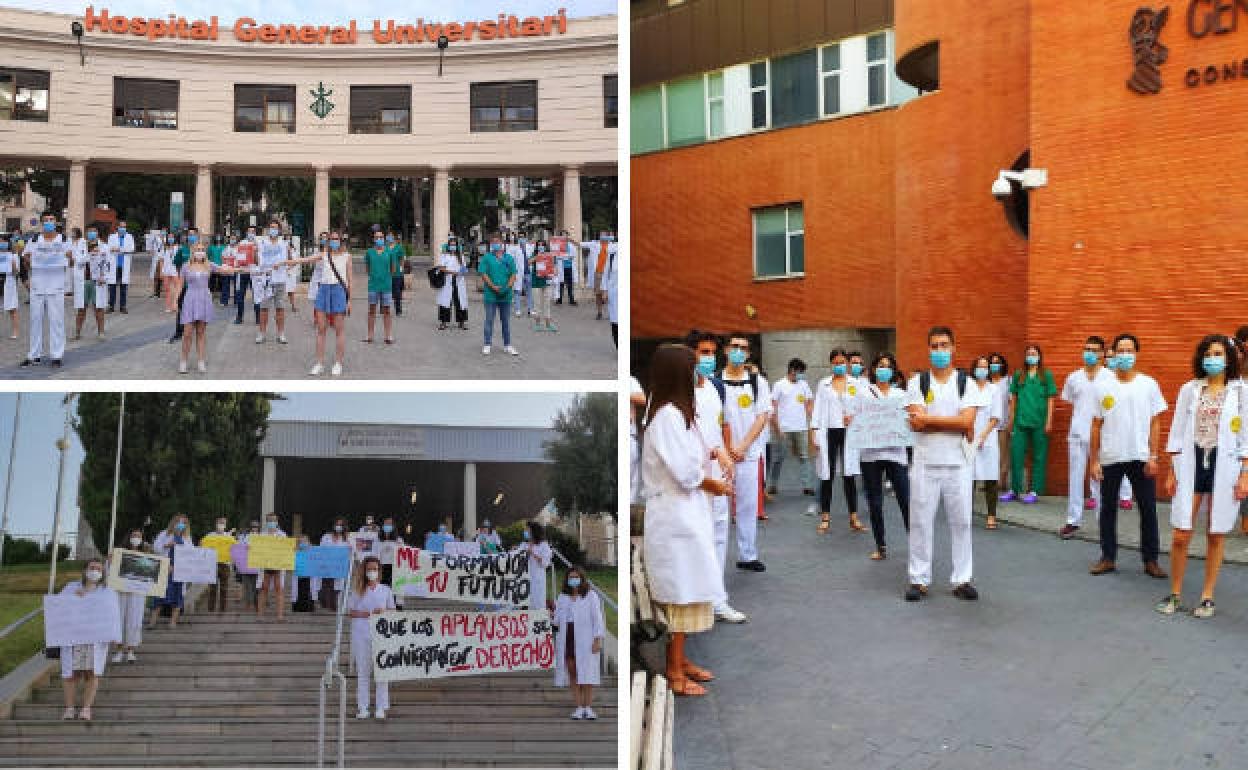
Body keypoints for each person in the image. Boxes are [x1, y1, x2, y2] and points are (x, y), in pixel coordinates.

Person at [642, 343, 730, 697]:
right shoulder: (666, 416)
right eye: (693, 368)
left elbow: (701, 449)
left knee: (692, 591)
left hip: (688, 513)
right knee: (681, 596)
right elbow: (684, 471)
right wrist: (714, 484)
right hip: (675, 517)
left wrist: (715, 460)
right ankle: (674, 671)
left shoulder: (681, 413)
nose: (699, 373)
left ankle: (682, 659)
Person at [1156, 336, 1248, 617]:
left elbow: (1246, 434)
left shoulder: (1242, 391)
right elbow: (1176, 429)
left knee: (1215, 532)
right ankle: (1175, 593)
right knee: (1181, 534)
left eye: (1219, 353)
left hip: (1226, 464)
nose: (1213, 358)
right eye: (1208, 353)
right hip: (1191, 462)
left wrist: (1245, 473)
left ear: (1229, 358)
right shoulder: (1190, 389)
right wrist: (1172, 468)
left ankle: (1207, 595)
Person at [904, 326, 989, 602]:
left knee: (962, 522)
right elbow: (916, 423)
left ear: (954, 348)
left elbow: (967, 422)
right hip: (925, 463)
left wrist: (930, 421)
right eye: (934, 346)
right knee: (919, 522)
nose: (939, 351)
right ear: (928, 349)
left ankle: (961, 579)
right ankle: (919, 579)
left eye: (944, 345)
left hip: (958, 464)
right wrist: (951, 424)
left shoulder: (967, 383)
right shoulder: (917, 383)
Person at [1088, 333, 1168, 579]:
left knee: (1147, 508)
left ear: (1136, 353)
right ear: (1113, 354)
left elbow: (1156, 423)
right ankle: (1108, 557)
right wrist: (1094, 460)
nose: (1124, 355)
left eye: (1128, 350)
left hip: (1140, 456)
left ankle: (1151, 559)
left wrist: (1154, 455)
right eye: (1120, 350)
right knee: (1107, 508)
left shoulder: (1148, 384)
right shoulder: (1102, 386)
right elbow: (1095, 425)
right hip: (1111, 456)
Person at [719, 333, 772, 570]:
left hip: (749, 454)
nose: (738, 351)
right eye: (734, 346)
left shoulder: (757, 382)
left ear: (749, 354)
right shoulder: (713, 381)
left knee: (748, 506)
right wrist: (727, 448)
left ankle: (747, 554)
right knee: (718, 508)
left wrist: (742, 446)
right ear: (726, 350)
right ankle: (713, 556)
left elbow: (762, 416)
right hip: (720, 456)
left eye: (743, 348)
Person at [1059, 337, 1118, 538]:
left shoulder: (1111, 377)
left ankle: (1104, 523)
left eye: (1094, 350)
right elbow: (1069, 401)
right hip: (1077, 435)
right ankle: (1073, 521)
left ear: (1103, 354)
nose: (1089, 353)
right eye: (1086, 349)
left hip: (1101, 436)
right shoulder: (1073, 377)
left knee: (1100, 480)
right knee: (1075, 478)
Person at [856, 352, 912, 560]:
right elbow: (855, 418)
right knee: (875, 502)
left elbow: (909, 421)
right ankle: (880, 545)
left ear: (894, 371)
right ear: (873, 370)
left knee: (905, 500)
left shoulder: (901, 395)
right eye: (880, 365)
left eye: (888, 366)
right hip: (870, 454)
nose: (883, 369)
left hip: (895, 453)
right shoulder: (863, 393)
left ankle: (915, 543)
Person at [810, 349, 867, 534]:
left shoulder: (855, 384)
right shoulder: (823, 384)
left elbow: (863, 408)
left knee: (849, 474)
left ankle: (853, 516)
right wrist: (814, 431)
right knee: (828, 474)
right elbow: (817, 409)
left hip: (849, 433)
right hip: (829, 432)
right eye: (836, 362)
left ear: (847, 363)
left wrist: (854, 417)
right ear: (831, 364)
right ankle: (825, 516)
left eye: (842, 362)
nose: (839, 365)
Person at [999, 344, 1057, 504]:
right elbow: (1014, 400)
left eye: (1034, 353)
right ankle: (1014, 490)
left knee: (1039, 457)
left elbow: (1051, 399)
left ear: (1039, 356)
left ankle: (1034, 491)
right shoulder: (1019, 375)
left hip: (1040, 422)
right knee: (1016, 455)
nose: (1031, 356)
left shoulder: (1046, 375)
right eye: (1029, 353)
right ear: (1025, 357)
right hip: (1020, 422)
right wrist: (1011, 420)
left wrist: (1049, 421)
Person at [59, 560, 116, 721]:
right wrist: (73, 599)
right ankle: (69, 708)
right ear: (85, 570)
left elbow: (112, 616)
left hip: (95, 640)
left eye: (99, 569)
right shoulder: (71, 588)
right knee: (70, 674)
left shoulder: (107, 592)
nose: (95, 571)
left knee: (92, 673)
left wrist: (113, 635)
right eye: (92, 568)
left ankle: (86, 709)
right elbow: (58, 608)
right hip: (73, 637)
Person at [289, 231, 351, 376]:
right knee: (321, 329)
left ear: (341, 240)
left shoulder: (347, 257)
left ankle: (338, 363)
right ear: (328, 241)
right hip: (323, 290)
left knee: (339, 329)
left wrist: (349, 300)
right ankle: (319, 363)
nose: (334, 241)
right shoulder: (323, 255)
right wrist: (289, 262)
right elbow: (305, 260)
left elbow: (350, 280)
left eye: (336, 239)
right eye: (331, 239)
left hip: (339, 291)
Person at [177, 245, 241, 373]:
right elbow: (180, 285)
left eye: (202, 250)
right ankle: (183, 361)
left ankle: (201, 361)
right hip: (190, 299)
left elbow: (226, 270)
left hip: (204, 299)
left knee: (201, 333)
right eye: (197, 250)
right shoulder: (185, 266)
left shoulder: (209, 265)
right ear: (193, 252)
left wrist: (246, 268)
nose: (200, 252)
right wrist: (175, 302)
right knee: (187, 333)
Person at [554, 566, 605, 720]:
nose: (573, 580)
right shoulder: (562, 597)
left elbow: (597, 618)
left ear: (582, 579)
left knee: (587, 673)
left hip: (585, 638)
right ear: (567, 580)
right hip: (567, 636)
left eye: (576, 577)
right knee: (573, 672)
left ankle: (588, 707)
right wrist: (549, 615)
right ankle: (578, 707)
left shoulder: (590, 596)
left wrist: (597, 639)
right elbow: (556, 620)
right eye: (571, 577)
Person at [348, 555, 395, 719]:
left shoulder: (386, 590)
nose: (372, 572)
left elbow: (392, 611)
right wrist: (369, 613)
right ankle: (363, 707)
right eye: (369, 569)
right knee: (363, 671)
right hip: (361, 633)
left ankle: (381, 706)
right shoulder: (357, 589)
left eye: (375, 569)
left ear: (379, 571)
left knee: (382, 671)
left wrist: (384, 612)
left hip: (382, 634)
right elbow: (351, 612)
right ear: (364, 571)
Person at [20, 213, 68, 368]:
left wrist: (69, 257)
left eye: (51, 220)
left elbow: (71, 261)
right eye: (46, 220)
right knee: (35, 321)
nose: (48, 222)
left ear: (56, 222)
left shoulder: (64, 240)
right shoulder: (34, 240)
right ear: (41, 223)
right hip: (38, 286)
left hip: (56, 286)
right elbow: (26, 259)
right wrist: (28, 262)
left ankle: (57, 355)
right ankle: (34, 355)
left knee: (57, 322)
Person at [768, 358, 815, 497]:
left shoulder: (804, 385)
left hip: (801, 427)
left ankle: (807, 485)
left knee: (804, 456)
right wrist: (776, 426)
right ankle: (773, 485)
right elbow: (773, 406)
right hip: (784, 428)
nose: (802, 375)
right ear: (793, 370)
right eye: (801, 372)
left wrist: (812, 419)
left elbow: (809, 402)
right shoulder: (779, 385)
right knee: (778, 457)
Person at [969, 356, 1004, 529]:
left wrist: (983, 435)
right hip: (969, 436)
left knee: (991, 478)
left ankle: (991, 515)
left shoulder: (994, 389)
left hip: (989, 437)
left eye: (985, 366)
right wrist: (972, 434)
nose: (982, 369)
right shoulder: (968, 388)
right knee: (969, 477)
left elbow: (996, 416)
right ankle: (966, 513)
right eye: (979, 366)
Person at [111, 530, 148, 664]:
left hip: (137, 594)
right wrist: (111, 561)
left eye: (139, 536)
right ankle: (119, 650)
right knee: (120, 618)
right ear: (129, 537)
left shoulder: (146, 555)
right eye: (134, 536)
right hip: (121, 592)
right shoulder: (120, 553)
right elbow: (110, 570)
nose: (136, 538)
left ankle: (131, 651)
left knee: (135, 620)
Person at [255, 219, 293, 345]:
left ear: (279, 230)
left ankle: (281, 333)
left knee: (280, 308)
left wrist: (284, 264)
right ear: (268, 229)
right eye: (271, 227)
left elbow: (290, 261)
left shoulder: (284, 243)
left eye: (276, 228)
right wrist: (256, 254)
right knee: (264, 308)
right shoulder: (262, 243)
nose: (273, 230)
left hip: (280, 279)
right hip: (266, 280)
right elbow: (257, 260)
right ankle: (261, 333)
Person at [479, 235, 518, 356]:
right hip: (491, 295)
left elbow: (513, 274)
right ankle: (487, 344)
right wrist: (493, 286)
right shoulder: (487, 257)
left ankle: (507, 345)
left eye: (498, 242)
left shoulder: (509, 258)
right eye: (493, 242)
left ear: (502, 243)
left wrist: (508, 287)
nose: (495, 244)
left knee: (505, 321)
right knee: (489, 320)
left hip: (505, 295)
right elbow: (483, 274)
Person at [151, 514, 192, 627]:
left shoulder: (187, 538)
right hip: (164, 568)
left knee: (177, 595)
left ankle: (173, 621)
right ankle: (153, 621)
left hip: (179, 571)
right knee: (158, 594)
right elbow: (156, 548)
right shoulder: (164, 534)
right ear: (173, 522)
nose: (180, 524)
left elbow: (190, 553)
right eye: (178, 522)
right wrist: (167, 545)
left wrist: (182, 546)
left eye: (183, 523)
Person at [72, 227, 108, 341]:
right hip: (83, 280)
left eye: (94, 231)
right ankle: (77, 333)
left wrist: (104, 276)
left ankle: (101, 332)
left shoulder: (104, 246)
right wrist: (89, 254)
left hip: (97, 281)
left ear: (97, 233)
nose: (92, 233)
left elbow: (107, 263)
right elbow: (78, 261)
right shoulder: (80, 246)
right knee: (82, 308)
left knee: (99, 308)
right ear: (86, 234)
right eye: (90, 231)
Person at [168, 227, 200, 344]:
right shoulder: (183, 249)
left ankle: (196, 333)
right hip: (184, 286)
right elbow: (177, 264)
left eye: (193, 234)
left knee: (197, 310)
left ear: (197, 236)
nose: (191, 237)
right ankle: (178, 332)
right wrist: (181, 279)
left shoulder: (201, 250)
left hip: (197, 287)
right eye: (189, 234)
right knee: (181, 309)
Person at [363, 231, 396, 345]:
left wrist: (386, 277)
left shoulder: (389, 252)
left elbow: (392, 268)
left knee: (387, 310)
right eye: (377, 237)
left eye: (381, 237)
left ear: (384, 239)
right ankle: (370, 334)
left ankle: (388, 335)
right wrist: (374, 276)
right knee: (372, 310)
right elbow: (367, 267)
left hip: (386, 285)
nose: (379, 239)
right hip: (373, 285)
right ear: (374, 239)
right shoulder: (369, 252)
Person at [255, 513, 289, 620]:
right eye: (269, 521)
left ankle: (280, 615)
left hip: (278, 564)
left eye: (273, 520)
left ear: (277, 521)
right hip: (265, 565)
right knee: (263, 588)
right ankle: (260, 615)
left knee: (279, 588)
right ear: (266, 522)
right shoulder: (261, 535)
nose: (271, 523)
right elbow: (257, 549)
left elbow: (286, 549)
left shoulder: (283, 535)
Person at [200, 517, 237, 613]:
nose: (221, 525)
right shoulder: (209, 536)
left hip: (225, 565)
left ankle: (222, 609)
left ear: (225, 525)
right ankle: (210, 609)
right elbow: (202, 546)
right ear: (216, 524)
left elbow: (236, 549)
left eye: (223, 523)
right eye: (219, 523)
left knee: (224, 588)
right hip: (212, 564)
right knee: (212, 588)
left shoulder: (229, 537)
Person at [988, 352, 1013, 494]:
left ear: (1002, 365)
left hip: (1002, 424)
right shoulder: (986, 382)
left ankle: (1001, 482)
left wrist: (1010, 421)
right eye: (992, 362)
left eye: (997, 362)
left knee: (1003, 454)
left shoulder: (1007, 381)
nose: (994, 365)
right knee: (990, 454)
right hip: (987, 425)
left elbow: (1011, 403)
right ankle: (990, 481)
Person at [319, 517, 352, 611]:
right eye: (337, 524)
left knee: (337, 586)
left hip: (339, 567)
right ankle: (327, 604)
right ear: (334, 525)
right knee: (325, 586)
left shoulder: (347, 538)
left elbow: (351, 551)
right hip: (326, 566)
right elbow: (320, 550)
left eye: (341, 525)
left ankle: (334, 606)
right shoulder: (326, 537)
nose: (339, 526)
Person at [436, 239, 469, 331]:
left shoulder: (461, 257)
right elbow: (441, 268)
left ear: (457, 246)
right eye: (451, 245)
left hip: (459, 282)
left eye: (454, 245)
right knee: (445, 302)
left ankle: (461, 322)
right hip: (447, 282)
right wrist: (452, 272)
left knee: (460, 302)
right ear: (448, 246)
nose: (453, 247)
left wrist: (463, 271)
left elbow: (464, 268)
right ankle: (443, 322)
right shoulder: (444, 256)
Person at [519, 522, 552, 611]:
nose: (525, 532)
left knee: (537, 604)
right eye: (525, 530)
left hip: (537, 579)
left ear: (534, 532)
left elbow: (545, 563)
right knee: (524, 603)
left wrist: (533, 554)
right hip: (524, 578)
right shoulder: (523, 545)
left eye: (527, 530)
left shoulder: (544, 545)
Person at [529, 239, 557, 333]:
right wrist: (538, 256)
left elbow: (554, 267)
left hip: (547, 282)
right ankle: (538, 324)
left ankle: (548, 324)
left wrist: (554, 272)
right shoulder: (535, 254)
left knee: (547, 303)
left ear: (546, 246)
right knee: (537, 304)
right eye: (539, 245)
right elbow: (528, 262)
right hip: (536, 282)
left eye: (542, 245)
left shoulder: (549, 255)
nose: (541, 246)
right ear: (537, 246)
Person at [105, 220, 134, 313]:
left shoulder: (129, 237)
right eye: (121, 227)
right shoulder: (112, 237)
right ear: (117, 227)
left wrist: (119, 249)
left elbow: (131, 249)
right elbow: (109, 248)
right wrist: (122, 250)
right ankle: (111, 306)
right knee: (112, 286)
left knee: (123, 287)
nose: (123, 229)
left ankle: (123, 306)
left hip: (124, 265)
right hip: (114, 265)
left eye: (124, 227)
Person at [232, 227, 259, 325]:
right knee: (240, 295)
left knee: (256, 295)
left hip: (254, 273)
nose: (251, 233)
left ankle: (258, 317)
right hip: (242, 272)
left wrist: (256, 251)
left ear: (255, 233)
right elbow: (237, 257)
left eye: (253, 232)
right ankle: (239, 317)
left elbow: (260, 260)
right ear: (246, 233)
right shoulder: (241, 243)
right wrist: (237, 266)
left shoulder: (259, 243)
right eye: (249, 232)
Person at [590, 232, 614, 321]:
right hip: (598, 273)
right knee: (598, 294)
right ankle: (599, 312)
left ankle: (612, 312)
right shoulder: (594, 244)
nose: (602, 236)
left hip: (610, 273)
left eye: (604, 235)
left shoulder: (613, 246)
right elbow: (580, 244)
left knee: (610, 294)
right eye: (601, 235)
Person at [238, 520, 262, 610]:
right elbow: (239, 547)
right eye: (253, 526)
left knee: (257, 585)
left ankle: (256, 604)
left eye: (256, 526)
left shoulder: (262, 537)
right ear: (250, 527)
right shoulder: (244, 537)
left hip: (257, 565)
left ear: (258, 528)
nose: (254, 528)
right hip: (246, 564)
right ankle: (248, 603)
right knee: (247, 585)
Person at [0, 233, 18, 340]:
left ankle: (15, 331)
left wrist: (13, 265)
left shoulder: (13, 256)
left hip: (8, 282)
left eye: (3, 241)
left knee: (12, 308)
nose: (1, 243)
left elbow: (16, 272)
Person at [159, 233, 180, 314]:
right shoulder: (164, 248)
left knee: (177, 288)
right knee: (167, 289)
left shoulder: (178, 248)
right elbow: (161, 260)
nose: (171, 239)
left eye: (172, 237)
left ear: (175, 238)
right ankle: (168, 306)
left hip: (175, 270)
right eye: (169, 237)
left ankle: (175, 305)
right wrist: (161, 271)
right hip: (166, 270)